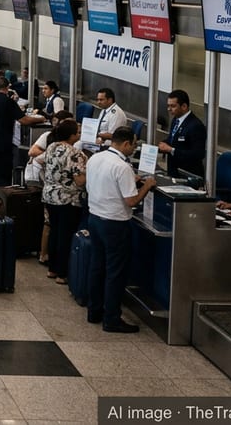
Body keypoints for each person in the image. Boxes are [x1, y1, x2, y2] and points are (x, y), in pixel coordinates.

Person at [85, 126, 156, 333]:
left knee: (97, 267)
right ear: (125, 144)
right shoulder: (122, 167)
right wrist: (147, 185)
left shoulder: (96, 158)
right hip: (114, 223)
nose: (134, 148)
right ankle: (112, 319)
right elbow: (131, 200)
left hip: (94, 217)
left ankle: (94, 311)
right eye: (133, 144)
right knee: (115, 272)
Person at [0, 76, 45, 187]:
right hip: (2, 145)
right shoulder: (8, 102)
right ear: (7, 88)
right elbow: (24, 120)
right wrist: (41, 118)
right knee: (2, 178)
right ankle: (0, 200)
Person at [41, 119, 88, 285]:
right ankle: (62, 273)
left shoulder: (51, 147)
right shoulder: (75, 154)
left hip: (50, 195)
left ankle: (52, 269)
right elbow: (80, 181)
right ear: (71, 135)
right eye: (78, 132)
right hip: (68, 199)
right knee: (65, 235)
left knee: (54, 231)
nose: (79, 134)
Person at [158, 89, 206, 177]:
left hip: (187, 174)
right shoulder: (175, 120)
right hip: (173, 171)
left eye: (173, 106)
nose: (169, 109)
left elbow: (198, 154)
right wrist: (162, 145)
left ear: (184, 106)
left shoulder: (196, 126)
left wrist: (171, 150)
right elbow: (172, 140)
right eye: (168, 106)